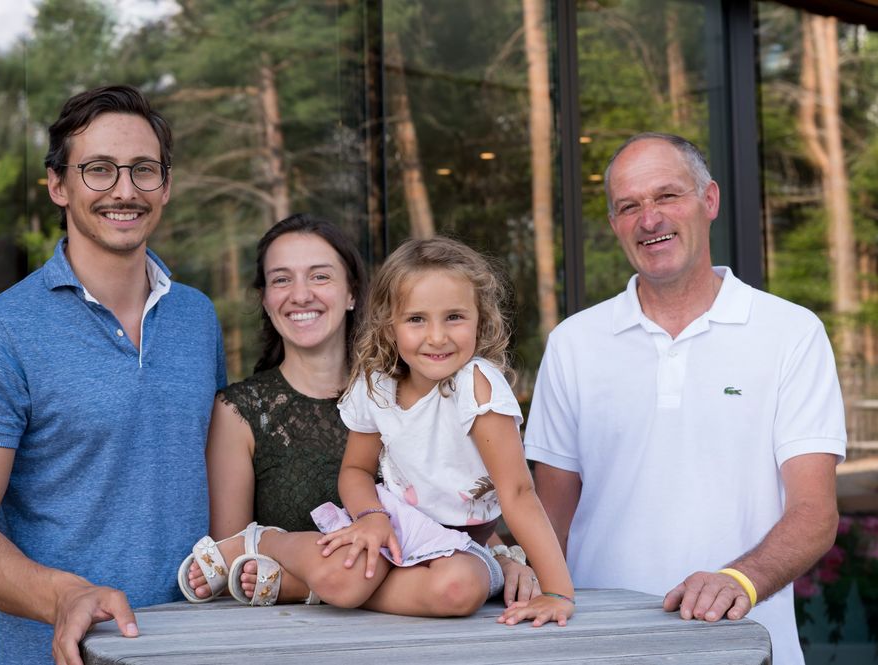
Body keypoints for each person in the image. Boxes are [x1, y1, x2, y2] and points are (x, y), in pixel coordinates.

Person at [0, 85, 227, 665]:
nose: (125, 190)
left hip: (196, 649)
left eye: (144, 170)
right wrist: (63, 595)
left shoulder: (197, 316)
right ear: (58, 185)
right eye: (98, 170)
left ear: (166, 186)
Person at [524, 132, 845, 663]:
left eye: (667, 196)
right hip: (599, 647)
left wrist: (740, 580)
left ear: (710, 200)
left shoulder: (791, 332)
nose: (649, 219)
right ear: (614, 225)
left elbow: (814, 513)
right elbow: (549, 518)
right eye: (629, 206)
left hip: (745, 645)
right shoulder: (573, 343)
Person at [184, 236, 575, 626]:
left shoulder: (478, 385)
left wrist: (557, 591)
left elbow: (518, 492)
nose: (436, 336)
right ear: (389, 325)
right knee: (343, 578)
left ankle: (305, 589)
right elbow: (355, 470)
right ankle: (263, 540)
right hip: (396, 521)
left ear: (480, 320)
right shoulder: (377, 385)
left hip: (464, 543)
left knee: (458, 591)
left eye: (454, 317)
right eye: (416, 319)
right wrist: (371, 516)